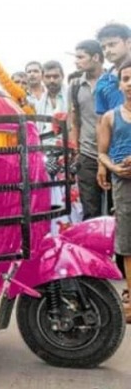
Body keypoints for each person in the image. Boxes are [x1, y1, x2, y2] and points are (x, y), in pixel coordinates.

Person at [96, 59, 131, 323]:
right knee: (128, 244)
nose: (130, 84)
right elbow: (102, 153)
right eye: (126, 79)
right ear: (120, 84)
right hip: (124, 184)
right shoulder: (110, 117)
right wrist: (114, 168)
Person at [68, 40, 107, 220]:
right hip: (87, 155)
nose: (76, 61)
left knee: (117, 210)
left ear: (96, 57)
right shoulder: (75, 85)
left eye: (81, 57)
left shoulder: (114, 82)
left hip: (113, 154)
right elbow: (74, 121)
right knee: (90, 212)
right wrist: (76, 152)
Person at [95, 23, 131, 119]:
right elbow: (101, 120)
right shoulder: (103, 81)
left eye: (112, 44)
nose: (107, 50)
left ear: (128, 43)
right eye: (103, 47)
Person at [35, 60, 68, 136]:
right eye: (47, 77)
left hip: (67, 144)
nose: (52, 80)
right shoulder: (39, 102)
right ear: (42, 78)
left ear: (62, 76)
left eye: (55, 76)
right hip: (44, 144)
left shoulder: (71, 96)